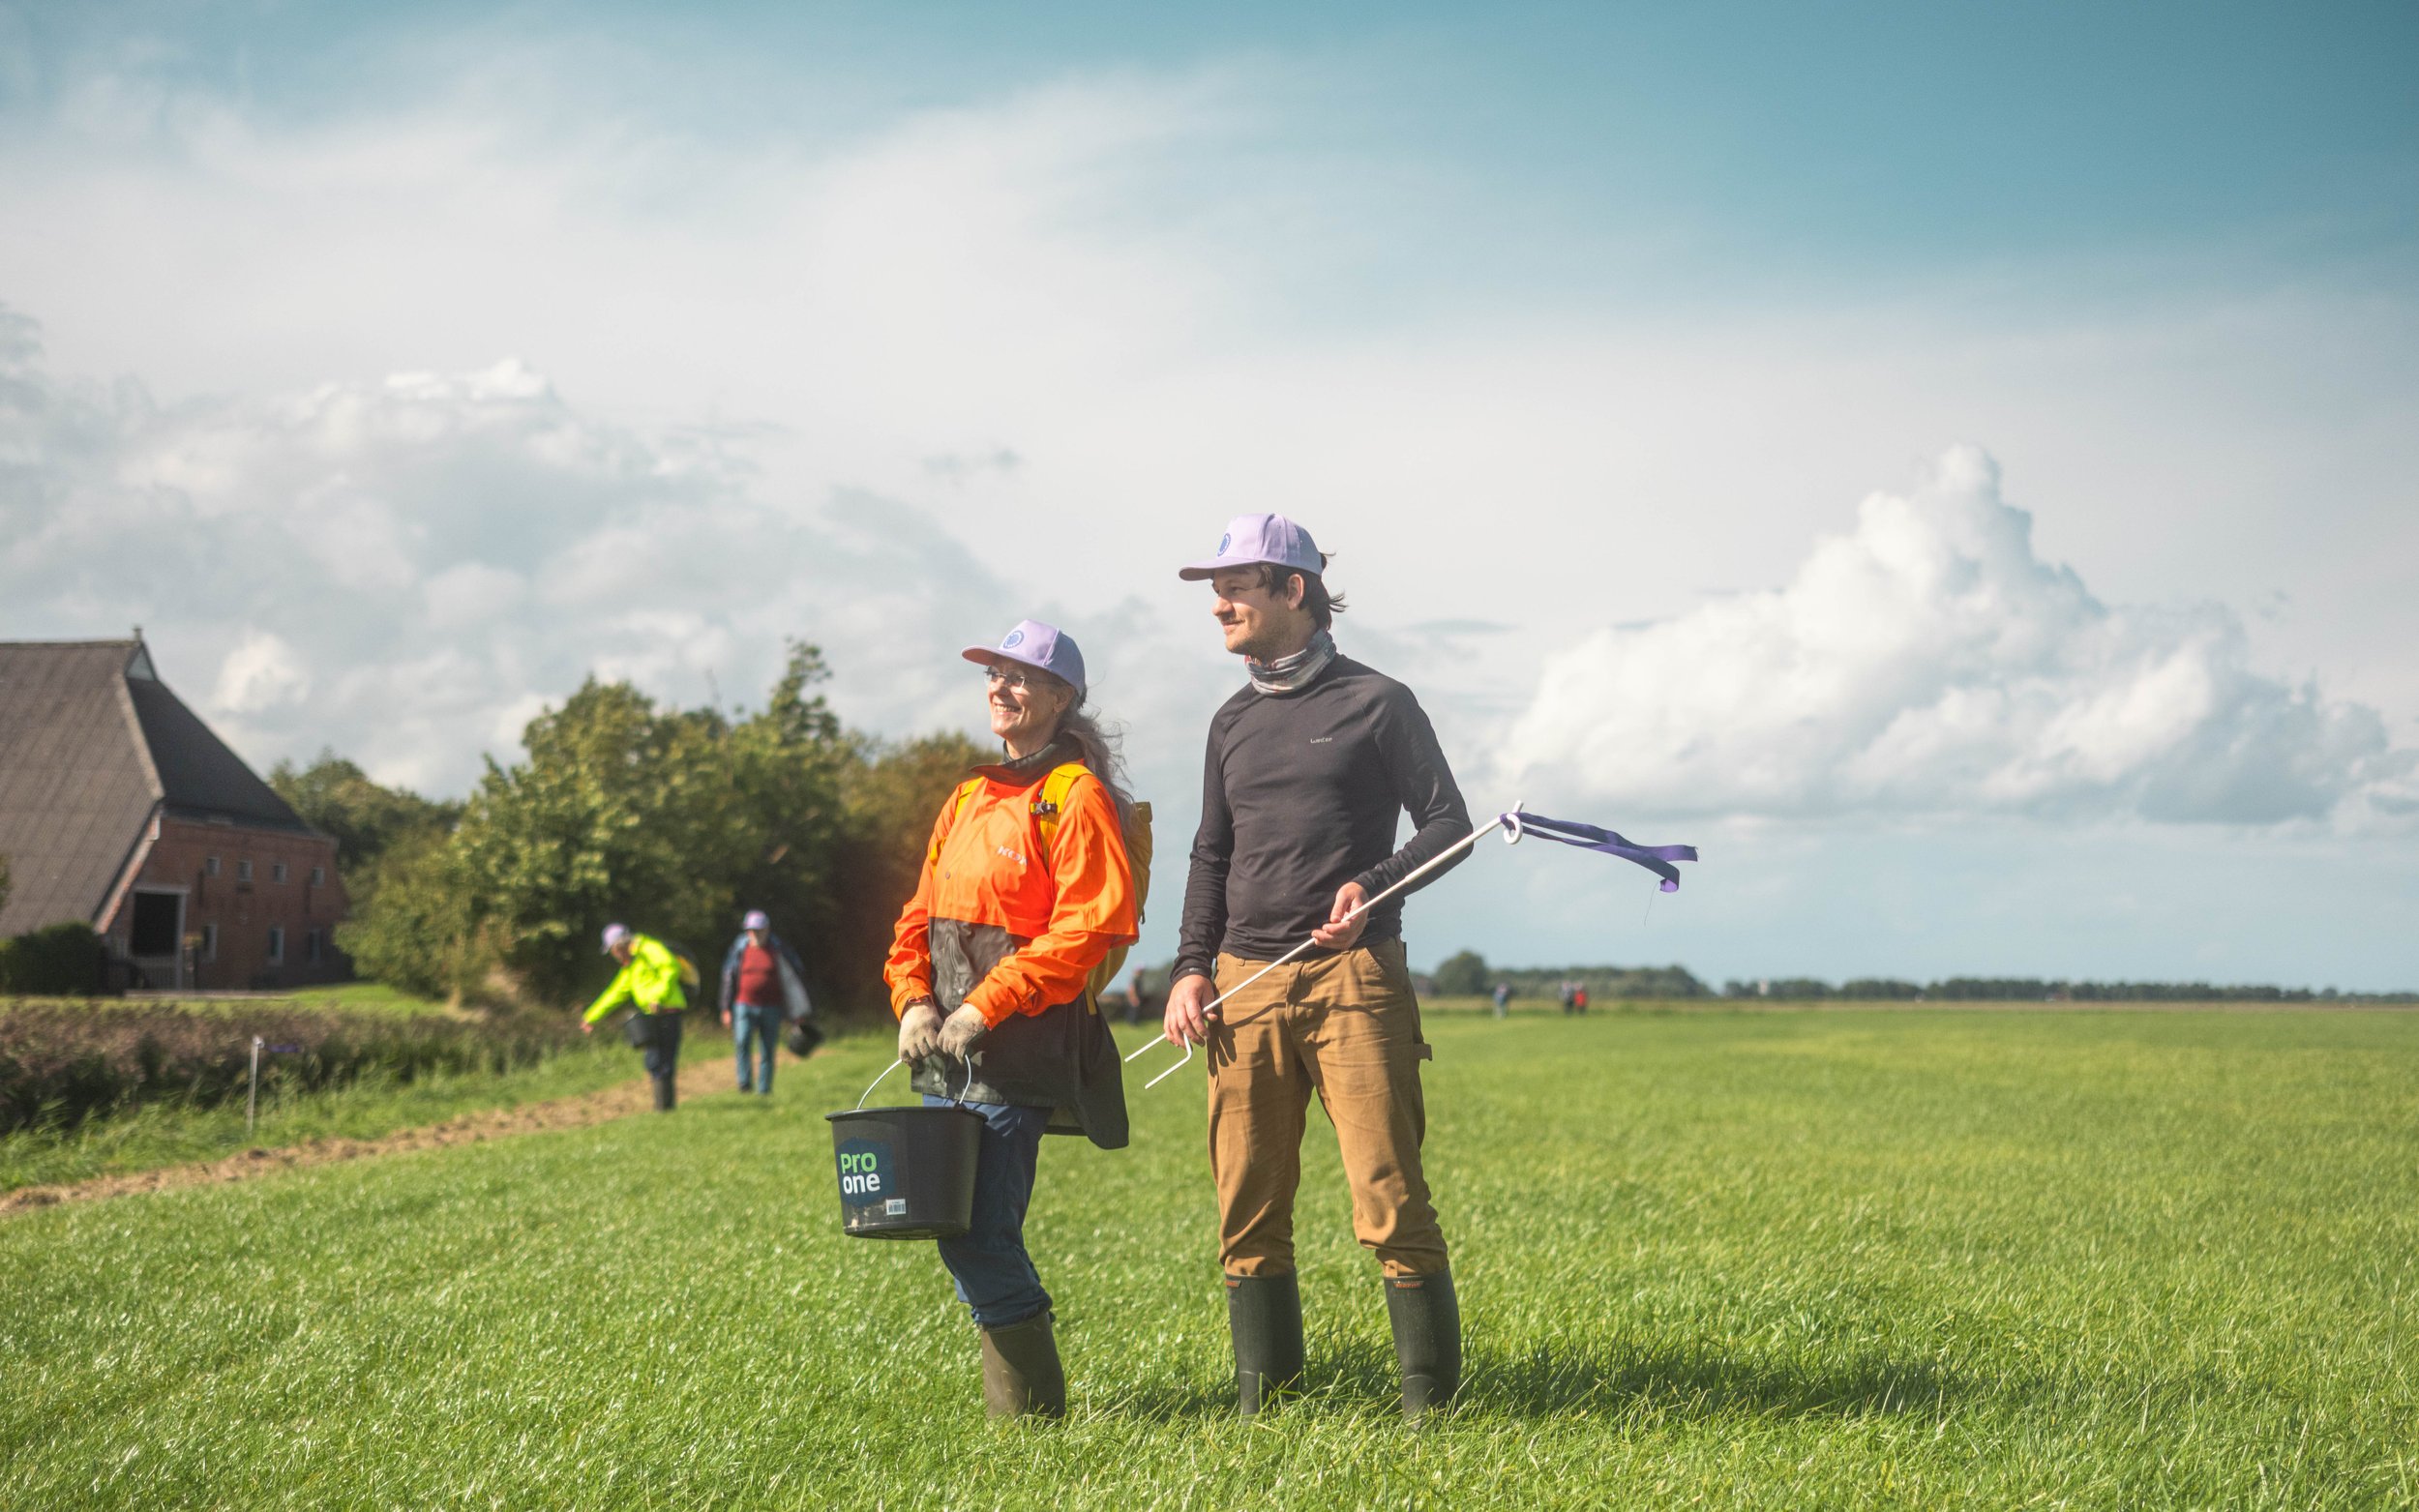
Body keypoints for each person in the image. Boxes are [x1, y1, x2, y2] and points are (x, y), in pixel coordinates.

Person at [1161, 513, 1475, 1422]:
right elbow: (1211, 854)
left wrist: (1370, 888)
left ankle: (1430, 1410)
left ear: (1292, 590)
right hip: (1242, 983)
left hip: (1355, 982)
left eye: (1235, 586)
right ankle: (1270, 1402)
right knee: (1247, 1205)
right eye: (1214, 589)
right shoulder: (1228, 721)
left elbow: (1451, 824)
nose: (1218, 603)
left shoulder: (1380, 701)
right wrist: (1191, 969)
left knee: (1389, 1193)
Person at [885, 617, 1141, 1419]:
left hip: (1017, 1046)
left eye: (1022, 675)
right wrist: (913, 998)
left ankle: (1033, 1419)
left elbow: (1089, 927)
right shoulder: (966, 794)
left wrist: (983, 1006)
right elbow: (918, 917)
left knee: (978, 1229)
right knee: (950, 1221)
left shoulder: (1076, 796)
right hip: (943, 1046)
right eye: (994, 672)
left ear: (1062, 697)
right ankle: (1026, 1409)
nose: (1002, 686)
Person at [583, 924, 695, 1112]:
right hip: (651, 1016)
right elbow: (615, 993)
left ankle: (664, 1108)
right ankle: (663, 1108)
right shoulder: (630, 967)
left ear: (619, 945)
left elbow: (670, 967)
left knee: (664, 1059)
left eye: (612, 950)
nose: (614, 955)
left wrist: (658, 997)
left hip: (668, 1012)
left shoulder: (648, 949)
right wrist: (591, 1017)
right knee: (653, 1061)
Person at [720, 909, 811, 1096]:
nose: (754, 933)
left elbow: (793, 980)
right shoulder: (739, 949)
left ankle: (764, 1089)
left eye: (758, 930)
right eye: (751, 930)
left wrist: (797, 1011)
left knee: (767, 1049)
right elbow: (728, 978)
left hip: (771, 1007)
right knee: (742, 1043)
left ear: (767, 929)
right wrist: (725, 1008)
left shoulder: (778, 950)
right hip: (743, 1005)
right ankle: (744, 1085)